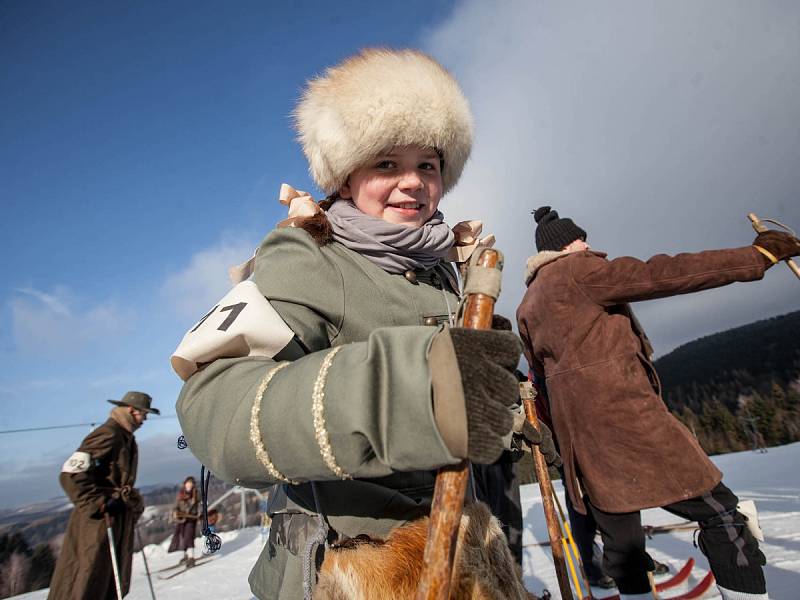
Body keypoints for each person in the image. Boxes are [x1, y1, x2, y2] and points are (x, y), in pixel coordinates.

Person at [172, 49, 558, 599]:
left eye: (428, 164)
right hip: (353, 565)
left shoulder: (439, 269)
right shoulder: (308, 255)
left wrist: (511, 414)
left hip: (458, 547)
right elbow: (212, 407)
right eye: (385, 164)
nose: (412, 183)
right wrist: (407, 394)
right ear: (346, 175)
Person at [516, 206, 800, 600]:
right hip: (630, 424)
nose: (589, 244)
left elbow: (540, 379)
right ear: (569, 245)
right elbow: (664, 273)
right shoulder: (579, 270)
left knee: (623, 549)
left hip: (585, 446)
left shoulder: (528, 303)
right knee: (723, 518)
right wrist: (756, 258)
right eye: (583, 238)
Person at [48, 391, 158, 600]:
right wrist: (99, 502)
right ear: (132, 411)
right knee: (86, 576)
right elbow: (71, 473)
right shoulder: (109, 433)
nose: (145, 419)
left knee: (107, 577)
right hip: (99, 521)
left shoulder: (126, 438)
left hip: (115, 517)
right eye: (144, 414)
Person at [168, 476, 199, 567]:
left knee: (189, 538)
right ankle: (186, 555)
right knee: (182, 537)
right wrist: (175, 512)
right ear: (185, 484)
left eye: (191, 483)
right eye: (188, 483)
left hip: (191, 519)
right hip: (181, 520)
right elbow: (175, 505)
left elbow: (199, 505)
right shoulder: (180, 494)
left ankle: (191, 558)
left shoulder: (196, 494)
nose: (189, 485)